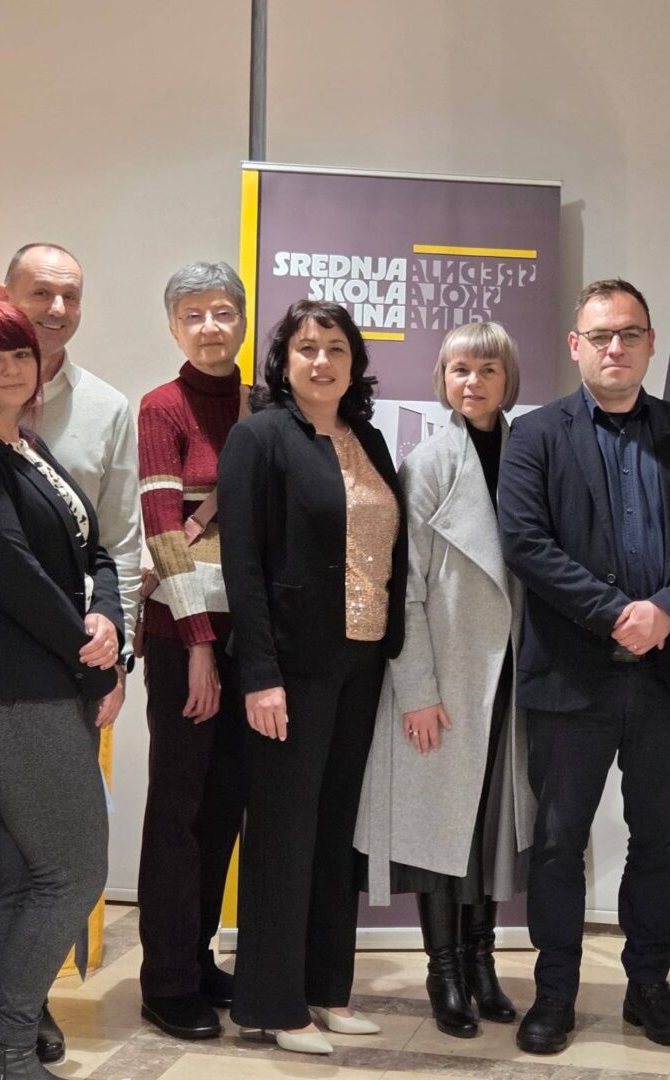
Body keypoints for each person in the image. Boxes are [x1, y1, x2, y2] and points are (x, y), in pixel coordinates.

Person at [0, 243, 141, 1067]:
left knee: (28, 877)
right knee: (74, 875)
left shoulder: (25, 443)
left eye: (18, 354)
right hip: (7, 698)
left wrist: (109, 617)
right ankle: (8, 1048)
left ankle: (3, 1055)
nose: (11, 368)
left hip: (52, 685)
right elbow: (15, 578)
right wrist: (96, 658)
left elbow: (97, 550)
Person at [498, 278, 670, 1055]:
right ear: (576, 346)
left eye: (630, 334)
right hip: (570, 677)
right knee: (559, 842)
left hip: (666, 676)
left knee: (656, 841)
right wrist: (615, 613)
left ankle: (649, 988)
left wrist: (665, 611)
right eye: (600, 336)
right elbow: (525, 543)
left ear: (650, 343)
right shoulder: (535, 435)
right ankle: (554, 993)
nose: (615, 348)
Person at [220, 300, 406, 1055]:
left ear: (355, 362)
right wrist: (260, 674)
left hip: (362, 660)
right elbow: (243, 562)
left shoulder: (368, 440)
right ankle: (271, 1002)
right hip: (292, 668)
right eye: (306, 348)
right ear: (283, 361)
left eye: (335, 348)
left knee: (335, 832)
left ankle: (327, 989)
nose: (322, 361)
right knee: (283, 833)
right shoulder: (260, 437)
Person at [354, 321, 536, 1038]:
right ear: (442, 378)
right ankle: (445, 972)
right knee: (441, 831)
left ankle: (483, 963)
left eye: (487, 369)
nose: (473, 382)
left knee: (492, 828)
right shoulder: (427, 463)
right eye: (460, 369)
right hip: (449, 676)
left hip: (512, 677)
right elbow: (406, 591)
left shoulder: (531, 454)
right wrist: (419, 691)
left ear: (508, 379)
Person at [135, 263, 249, 1040]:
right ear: (174, 326)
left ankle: (199, 955)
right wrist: (202, 643)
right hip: (185, 640)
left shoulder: (262, 406)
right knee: (177, 808)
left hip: (252, 638)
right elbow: (164, 532)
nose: (210, 326)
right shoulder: (162, 408)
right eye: (193, 314)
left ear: (241, 319)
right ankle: (167, 980)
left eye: (222, 312)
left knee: (223, 805)